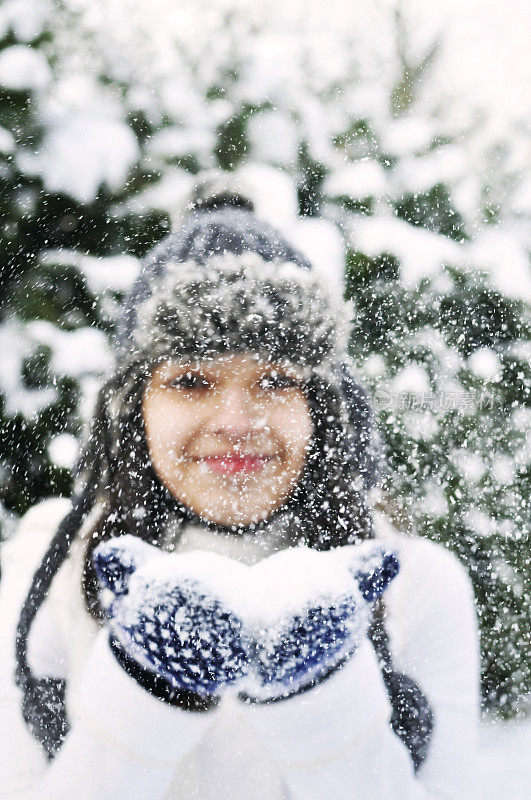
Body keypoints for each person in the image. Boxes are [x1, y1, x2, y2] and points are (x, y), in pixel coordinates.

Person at [0, 175, 480, 800]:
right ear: (132, 410)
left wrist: (323, 695)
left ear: (326, 410)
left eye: (276, 380)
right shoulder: (53, 570)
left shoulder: (415, 583)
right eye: (192, 381)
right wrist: (143, 697)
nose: (235, 424)